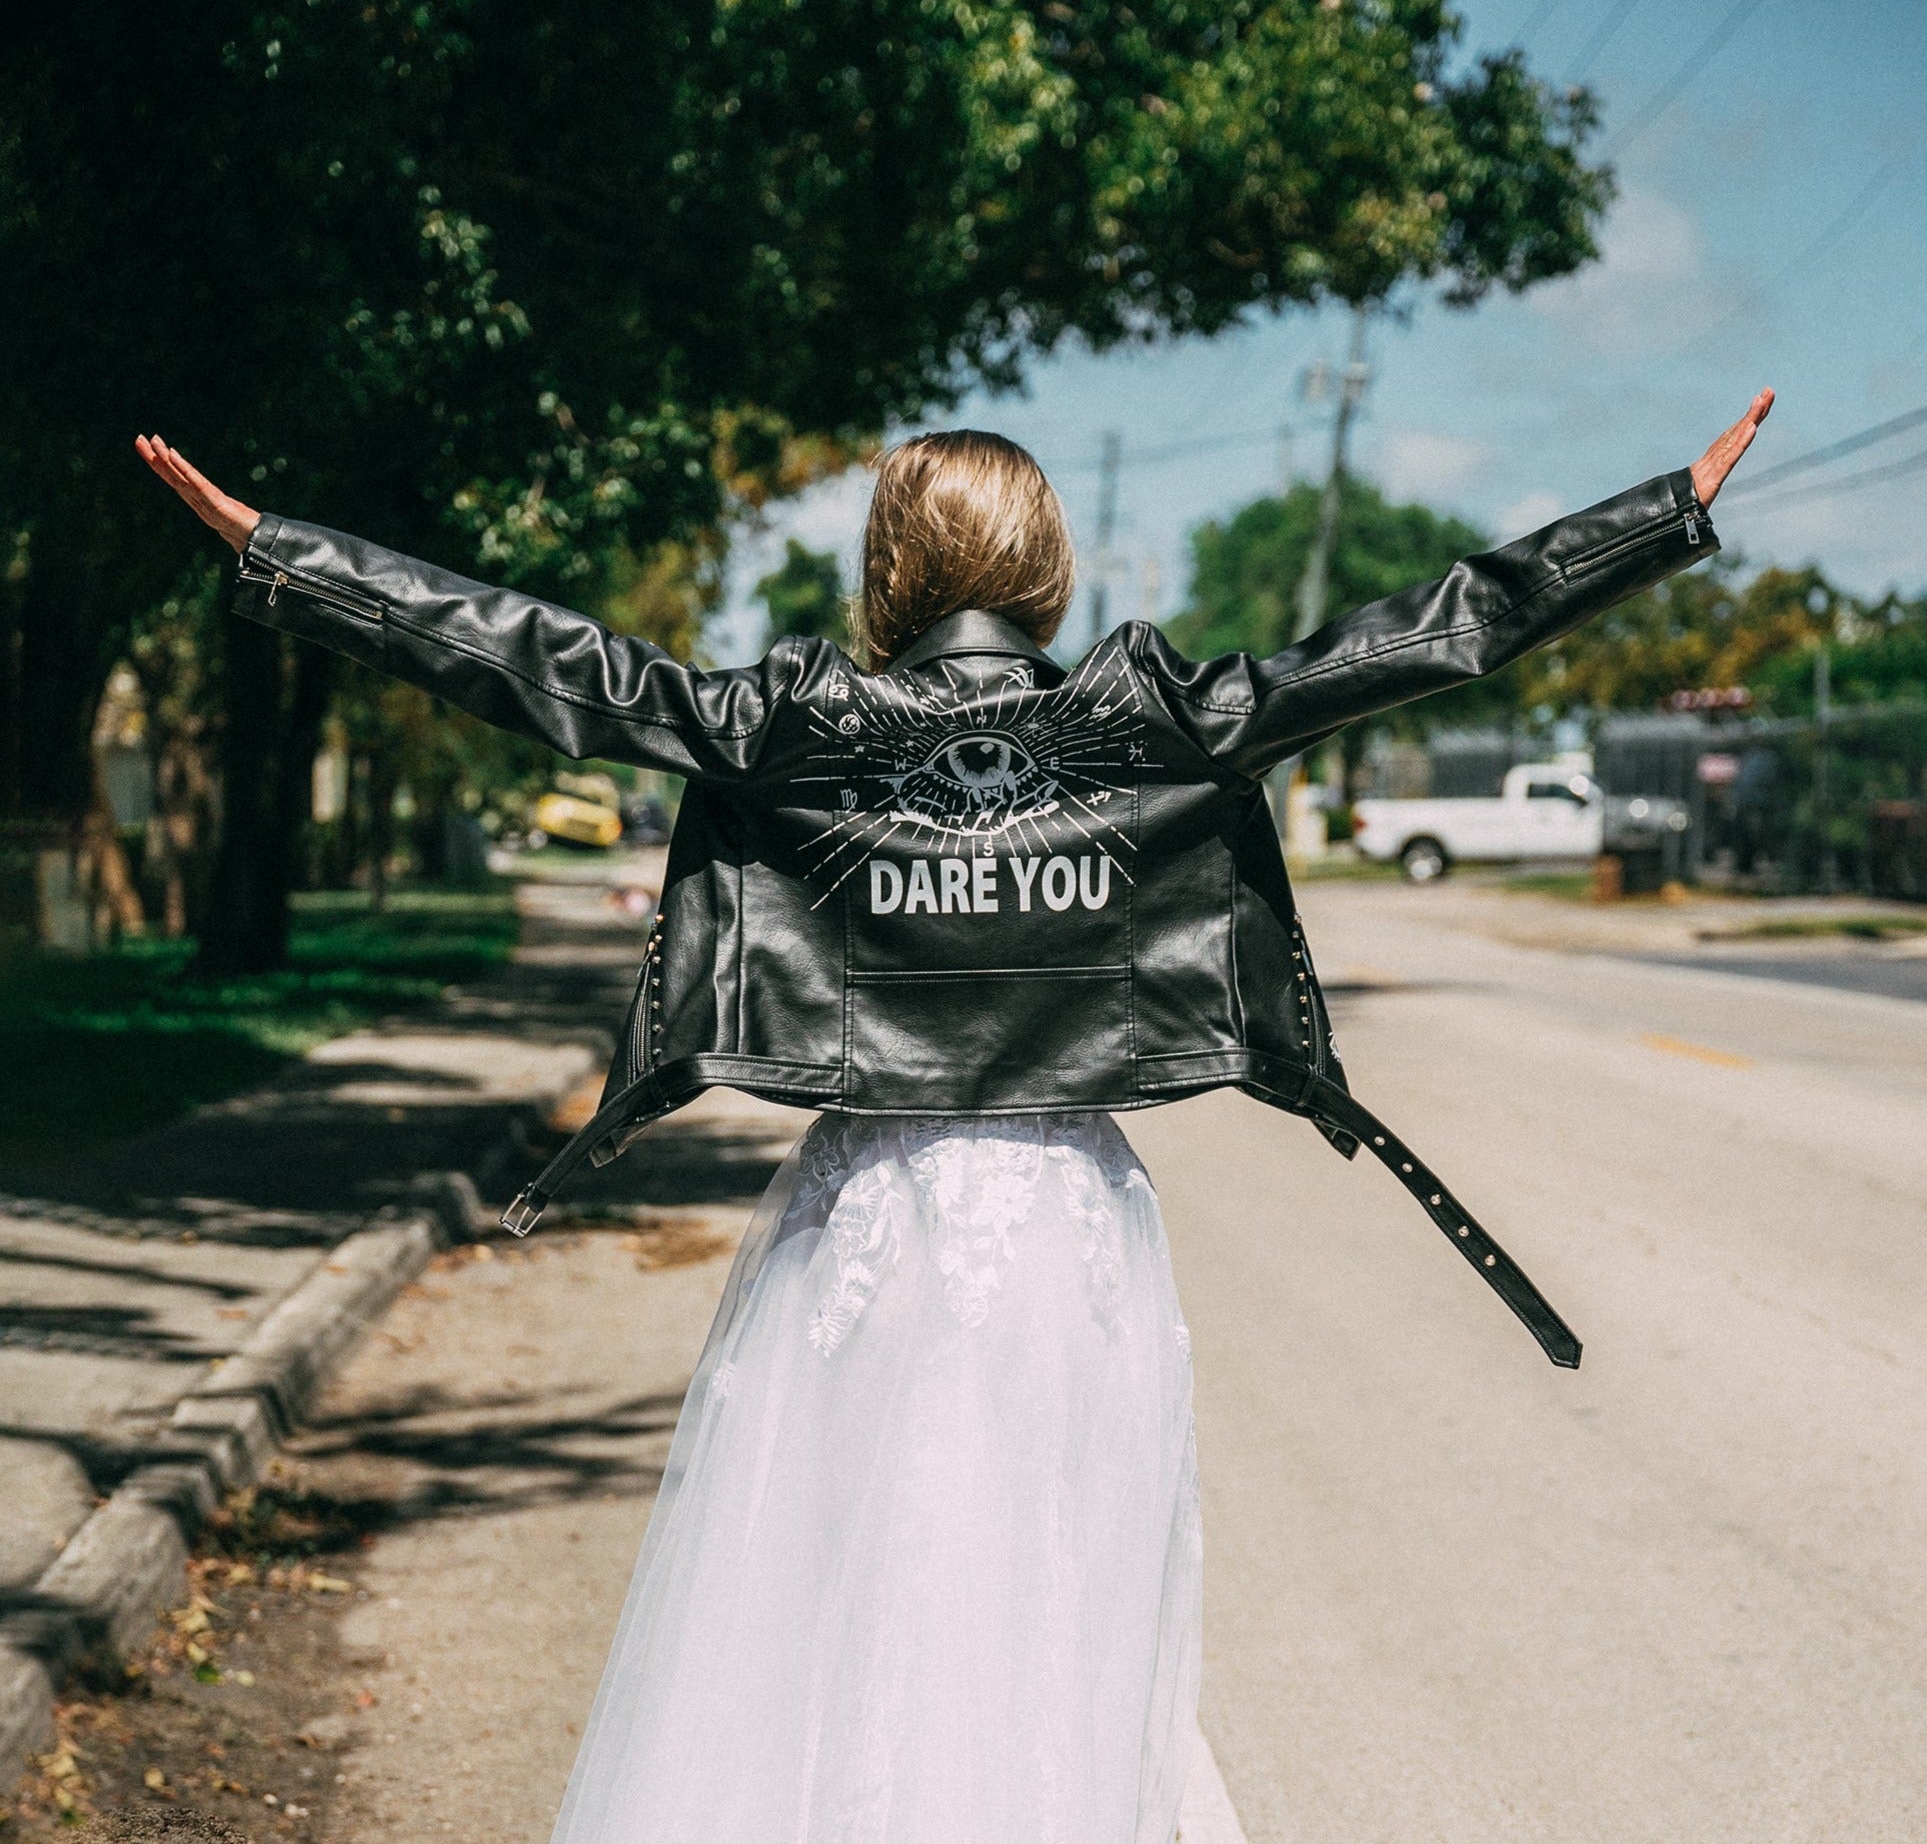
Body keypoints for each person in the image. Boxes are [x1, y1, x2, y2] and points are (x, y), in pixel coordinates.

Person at [137, 390, 1772, 1842]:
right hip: (1075, 1234)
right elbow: (1424, 633)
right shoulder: (1159, 721)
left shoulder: (793, 728)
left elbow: (535, 661)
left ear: (892, 572)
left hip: (868, 1219)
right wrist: (1659, 518)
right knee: (1058, 1625)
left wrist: (287, 553)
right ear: (1044, 568)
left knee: (841, 1626)